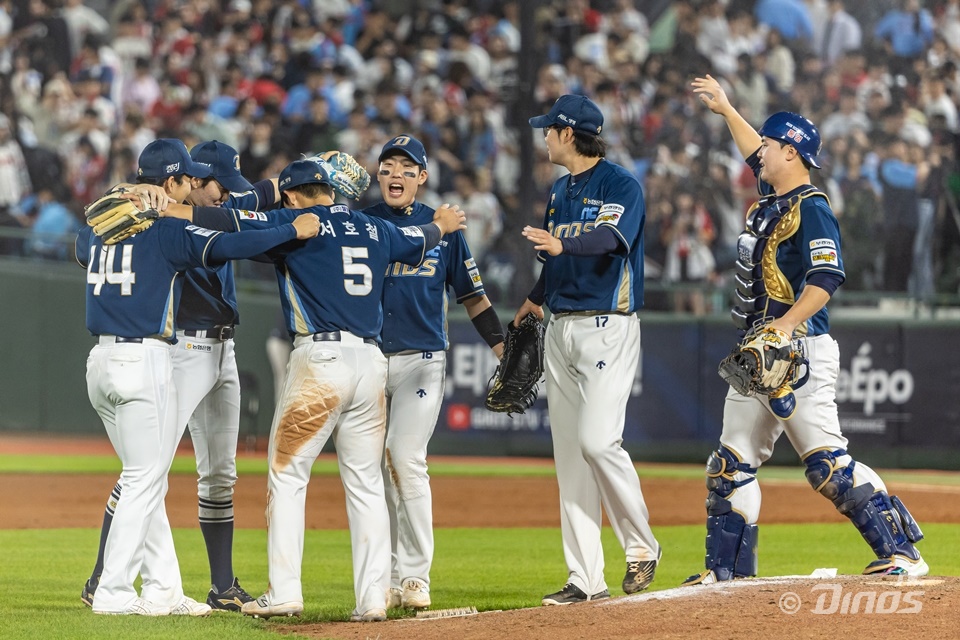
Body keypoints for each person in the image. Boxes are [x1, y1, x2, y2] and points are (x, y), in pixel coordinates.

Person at [180, 160, 465, 622]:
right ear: (330, 190)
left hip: (321, 360)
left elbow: (223, 220)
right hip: (372, 364)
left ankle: (285, 590)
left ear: (292, 196)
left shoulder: (294, 222)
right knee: (367, 483)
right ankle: (373, 598)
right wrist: (442, 224)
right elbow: (420, 240)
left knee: (289, 475)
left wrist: (168, 210)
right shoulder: (375, 227)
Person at [685, 74, 927, 584]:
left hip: (799, 348)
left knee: (828, 467)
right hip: (760, 350)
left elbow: (827, 276)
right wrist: (729, 109)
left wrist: (784, 327)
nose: (761, 155)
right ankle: (725, 577)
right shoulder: (775, 198)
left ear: (791, 152)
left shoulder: (811, 207)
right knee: (729, 465)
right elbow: (754, 151)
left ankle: (903, 553)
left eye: (771, 146)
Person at [77, 159, 320, 616]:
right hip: (146, 356)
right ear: (169, 182)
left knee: (144, 476)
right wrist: (291, 231)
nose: (192, 187)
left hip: (101, 360)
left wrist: (117, 193)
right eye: (187, 179)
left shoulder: (99, 228)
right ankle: (109, 587)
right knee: (144, 477)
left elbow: (82, 242)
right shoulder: (165, 231)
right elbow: (231, 242)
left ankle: (164, 588)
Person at [514, 95, 661, 606]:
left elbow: (609, 238)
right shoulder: (559, 191)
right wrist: (534, 300)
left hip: (607, 326)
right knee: (571, 459)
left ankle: (642, 546)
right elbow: (558, 260)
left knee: (599, 443)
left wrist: (561, 246)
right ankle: (585, 578)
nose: (544, 137)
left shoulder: (621, 184)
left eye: (548, 130)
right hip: (560, 327)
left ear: (569, 133)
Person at [362, 134, 505, 610]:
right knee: (375, 469)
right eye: (387, 167)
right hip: (370, 361)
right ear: (378, 176)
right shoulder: (364, 223)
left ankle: (415, 576)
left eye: (406, 168)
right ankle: (382, 575)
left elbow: (474, 297)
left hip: (423, 359)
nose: (395, 175)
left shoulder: (445, 230)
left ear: (422, 178)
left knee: (405, 459)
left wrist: (501, 346)